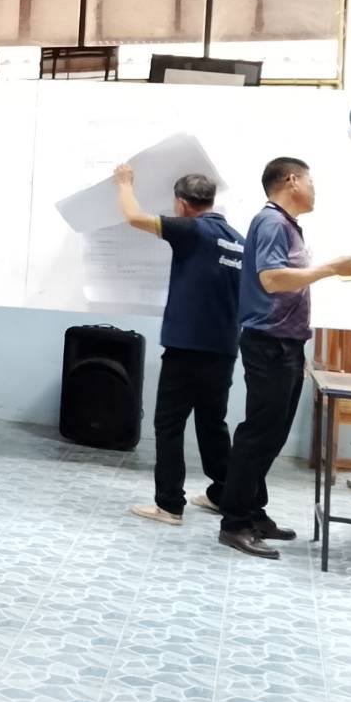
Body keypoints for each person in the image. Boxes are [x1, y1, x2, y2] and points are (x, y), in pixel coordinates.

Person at [217, 157, 351, 559]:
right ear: (292, 180)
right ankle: (233, 523)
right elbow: (271, 279)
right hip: (268, 342)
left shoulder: (288, 225)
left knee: (273, 434)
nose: (315, 190)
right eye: (311, 182)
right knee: (258, 433)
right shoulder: (271, 223)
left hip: (287, 343)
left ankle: (253, 511)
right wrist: (329, 269)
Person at [114, 166, 244, 525]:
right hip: (223, 350)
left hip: (187, 349)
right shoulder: (238, 240)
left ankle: (169, 504)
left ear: (182, 204)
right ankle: (223, 494)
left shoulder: (192, 230)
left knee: (169, 425)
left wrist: (124, 183)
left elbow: (134, 217)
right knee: (212, 423)